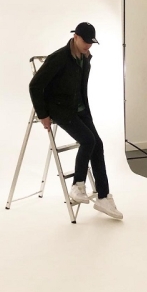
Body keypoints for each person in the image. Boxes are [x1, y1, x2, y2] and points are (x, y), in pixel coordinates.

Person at [28, 22, 123, 220]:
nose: (89, 45)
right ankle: (77, 185)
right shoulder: (59, 58)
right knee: (88, 141)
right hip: (60, 109)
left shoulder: (85, 57)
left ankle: (103, 198)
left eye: (91, 42)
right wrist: (43, 114)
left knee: (98, 145)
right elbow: (35, 85)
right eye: (86, 41)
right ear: (76, 37)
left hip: (80, 109)